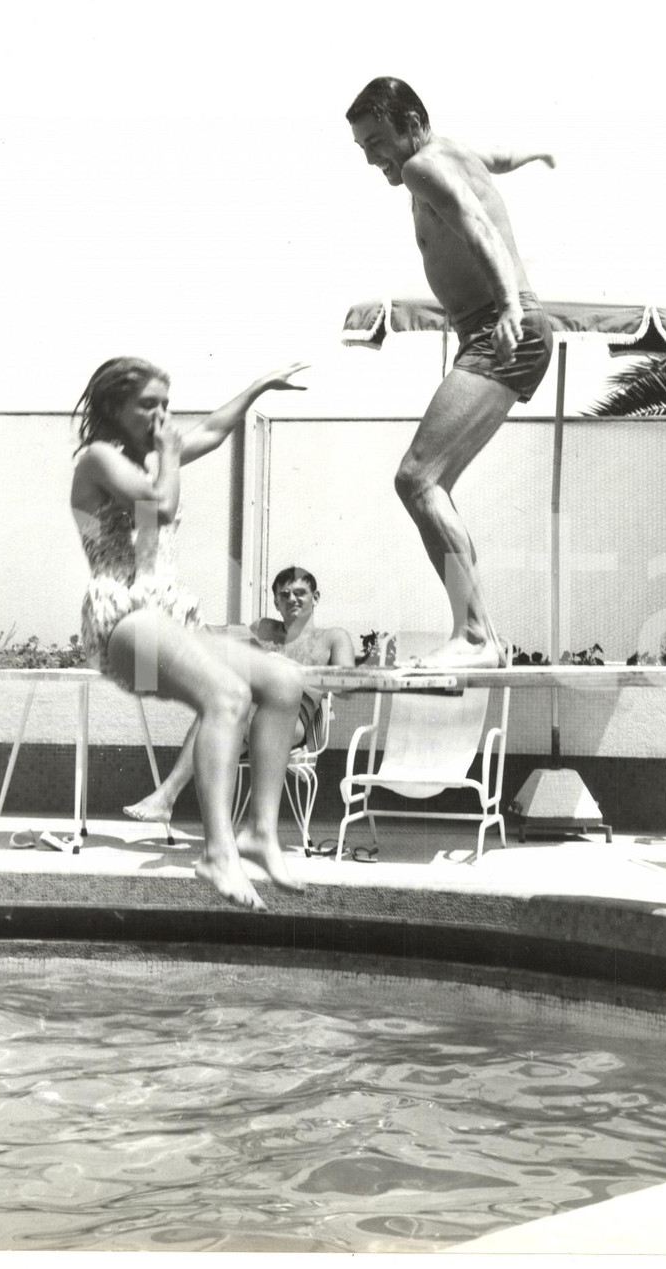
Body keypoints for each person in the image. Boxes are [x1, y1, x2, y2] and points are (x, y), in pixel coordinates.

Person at [71, 355, 309, 911]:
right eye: (148, 404)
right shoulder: (99, 458)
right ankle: (216, 851)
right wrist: (172, 455)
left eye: (165, 403)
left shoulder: (151, 458)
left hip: (167, 616)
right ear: (113, 407)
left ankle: (260, 833)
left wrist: (256, 385)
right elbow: (161, 503)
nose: (163, 416)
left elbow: (213, 430)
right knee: (226, 695)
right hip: (124, 620)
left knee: (282, 680)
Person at [346, 77, 555, 666]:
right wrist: (535, 152)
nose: (373, 158)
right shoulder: (451, 151)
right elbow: (499, 160)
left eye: (379, 140)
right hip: (500, 327)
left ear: (413, 123)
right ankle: (476, 632)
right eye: (363, 148)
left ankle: (477, 636)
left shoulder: (421, 169)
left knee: (417, 479)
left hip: (500, 327)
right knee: (426, 485)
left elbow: (477, 224)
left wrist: (510, 307)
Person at [124, 565, 355, 825]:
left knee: (231, 713)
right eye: (285, 594)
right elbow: (213, 634)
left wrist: (292, 670)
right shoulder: (264, 630)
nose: (292, 599)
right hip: (251, 712)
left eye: (300, 593)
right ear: (276, 603)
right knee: (220, 708)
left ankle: (172, 801)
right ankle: (173, 803)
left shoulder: (333, 637)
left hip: (293, 719)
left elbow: (347, 689)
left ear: (316, 597)